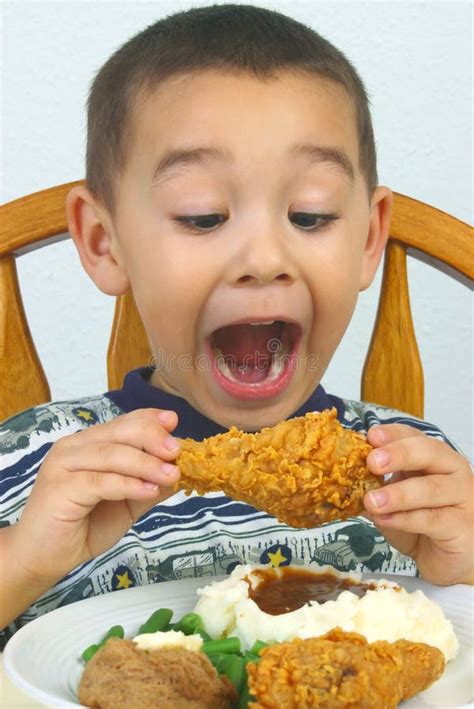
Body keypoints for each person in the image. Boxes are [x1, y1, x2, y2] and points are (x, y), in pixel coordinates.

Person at [0, 4, 472, 649]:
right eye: (202, 216)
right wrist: (22, 562)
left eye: (310, 216)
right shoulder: (32, 459)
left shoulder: (413, 471)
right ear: (105, 242)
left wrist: (464, 573)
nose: (264, 260)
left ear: (369, 238)